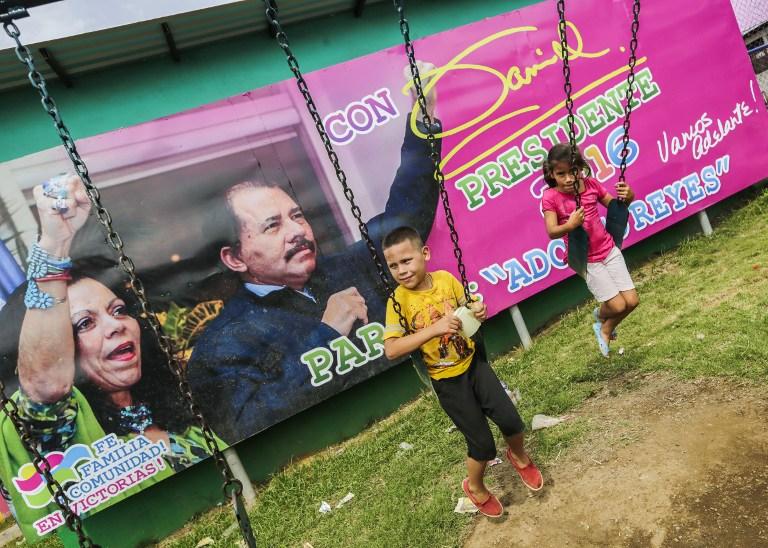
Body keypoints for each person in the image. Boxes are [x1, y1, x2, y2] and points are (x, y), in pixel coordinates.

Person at [188, 63, 442, 444]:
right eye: (272, 226)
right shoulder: (223, 344)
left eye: (297, 216)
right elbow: (247, 425)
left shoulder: (351, 267)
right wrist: (325, 336)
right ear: (235, 258)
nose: (297, 232)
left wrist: (421, 123)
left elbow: (405, 220)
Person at [0, 176, 222, 539]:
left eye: (118, 310)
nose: (116, 326)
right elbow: (45, 383)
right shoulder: (56, 431)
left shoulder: (178, 413)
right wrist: (54, 245)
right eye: (85, 323)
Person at [381, 226, 543, 519]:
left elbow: (468, 307)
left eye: (406, 261)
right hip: (447, 382)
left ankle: (519, 456)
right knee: (482, 446)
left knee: (511, 420)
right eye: (393, 265)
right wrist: (434, 329)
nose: (401, 270)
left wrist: (477, 309)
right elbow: (391, 349)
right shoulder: (398, 302)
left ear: (424, 254)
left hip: (473, 364)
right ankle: (476, 487)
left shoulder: (445, 280)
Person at [541, 143, 639, 357]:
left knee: (631, 302)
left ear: (581, 168)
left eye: (573, 171)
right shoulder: (550, 197)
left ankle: (601, 317)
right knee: (616, 305)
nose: (568, 179)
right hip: (586, 258)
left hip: (608, 249)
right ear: (551, 173)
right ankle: (604, 327)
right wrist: (570, 225)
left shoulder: (591, 184)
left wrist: (628, 197)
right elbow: (552, 231)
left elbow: (615, 207)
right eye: (561, 174)